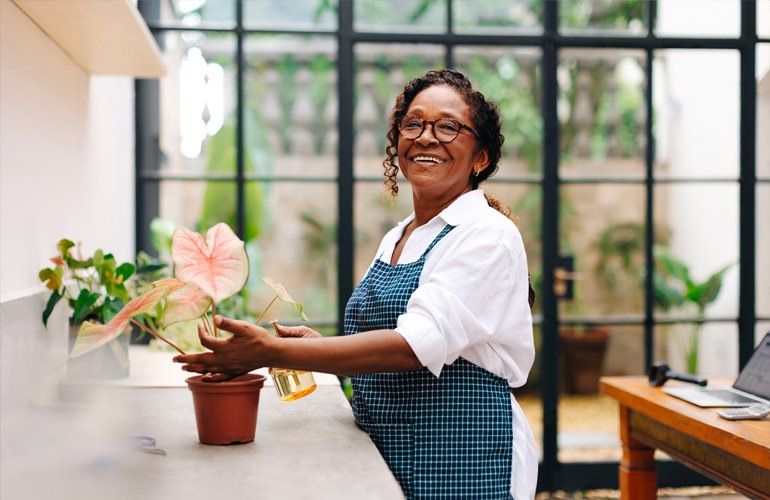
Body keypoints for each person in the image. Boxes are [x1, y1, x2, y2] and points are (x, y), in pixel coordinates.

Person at [174, 68, 538, 500]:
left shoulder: (487, 235)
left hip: (460, 459)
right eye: (413, 124)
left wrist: (271, 350)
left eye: (448, 127)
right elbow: (384, 336)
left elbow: (411, 348)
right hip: (388, 450)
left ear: (481, 157)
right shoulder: (401, 234)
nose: (426, 137)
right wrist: (310, 346)